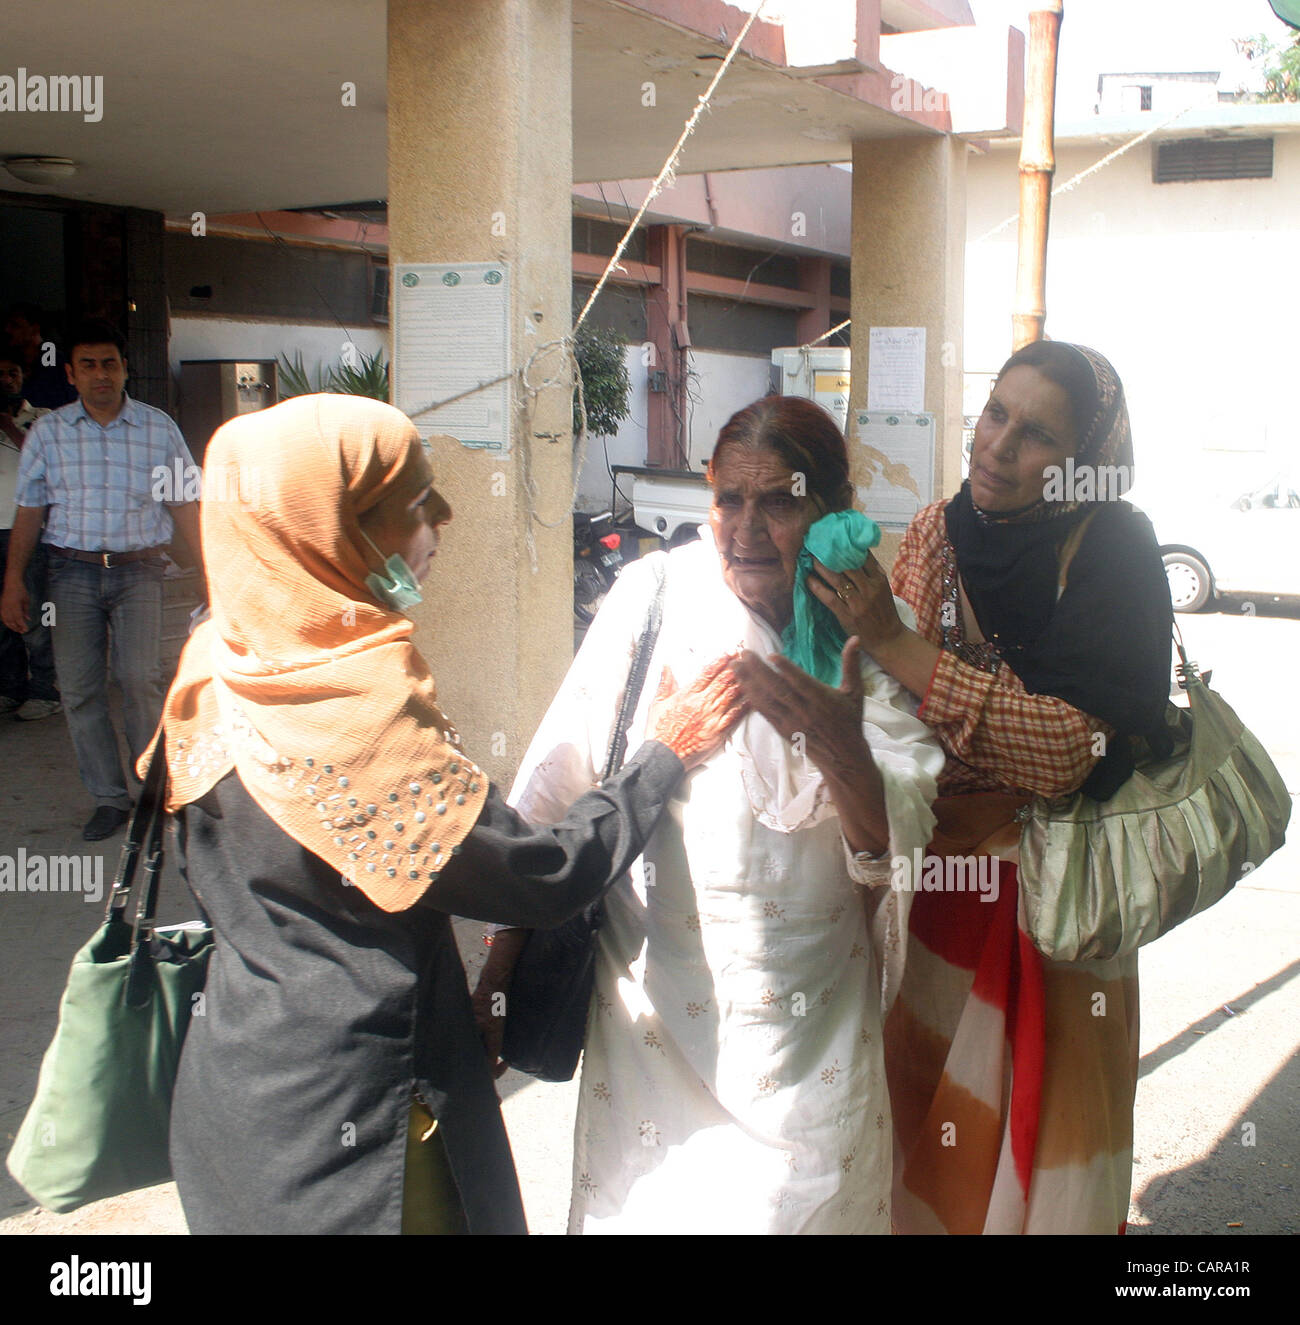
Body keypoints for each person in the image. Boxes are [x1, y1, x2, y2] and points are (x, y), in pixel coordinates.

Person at [149, 393, 747, 1235]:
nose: (445, 517)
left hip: (234, 1101)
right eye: (415, 501)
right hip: (362, 1130)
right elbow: (541, 875)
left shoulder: (215, 665)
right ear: (331, 526)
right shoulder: (360, 721)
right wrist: (663, 756)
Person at [478, 395, 944, 1234]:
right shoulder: (654, 597)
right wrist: (496, 976)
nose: (746, 528)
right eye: (730, 499)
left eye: (782, 501)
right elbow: (551, 789)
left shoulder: (871, 626)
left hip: (813, 1030)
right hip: (650, 1022)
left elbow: (895, 840)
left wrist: (842, 751)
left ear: (832, 508)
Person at [814, 341, 1172, 1234]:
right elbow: (894, 713)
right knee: (934, 1128)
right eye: (995, 413)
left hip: (1066, 909)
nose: (998, 445)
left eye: (1038, 434)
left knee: (1052, 1154)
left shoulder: (1116, 551)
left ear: (1084, 466)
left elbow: (1068, 750)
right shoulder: (940, 529)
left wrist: (902, 648)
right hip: (949, 892)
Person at [0, 319, 204, 840]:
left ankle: (156, 797)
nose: (100, 375)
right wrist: (13, 583)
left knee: (140, 680)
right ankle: (110, 799)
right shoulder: (48, 433)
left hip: (140, 570)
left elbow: (185, 504)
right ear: (70, 374)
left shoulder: (158, 428)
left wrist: (212, 570)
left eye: (109, 364)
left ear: (125, 369)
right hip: (70, 572)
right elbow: (29, 511)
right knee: (81, 690)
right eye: (88, 365)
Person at [0, 344, 59, 720]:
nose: (5, 380)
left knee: (35, 613)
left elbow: (44, 465)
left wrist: (8, 424)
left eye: (12, 373)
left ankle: (44, 688)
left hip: (25, 531)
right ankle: (9, 686)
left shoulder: (42, 419)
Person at [2, 303, 76, 410]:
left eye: (15, 326)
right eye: (7, 326)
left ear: (34, 328)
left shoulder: (52, 357)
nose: (7, 330)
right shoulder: (12, 360)